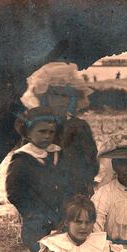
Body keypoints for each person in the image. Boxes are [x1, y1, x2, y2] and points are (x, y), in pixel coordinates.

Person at [21, 61, 98, 197]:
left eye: (66, 96)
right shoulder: (35, 126)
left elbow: (91, 162)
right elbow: (25, 161)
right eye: (55, 95)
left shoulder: (80, 126)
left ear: (73, 98)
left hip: (75, 190)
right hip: (42, 192)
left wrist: (84, 185)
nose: (61, 101)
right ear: (45, 97)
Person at [6, 106, 76, 252]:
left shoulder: (56, 153)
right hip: (35, 220)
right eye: (42, 132)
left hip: (58, 216)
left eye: (51, 132)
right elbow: (14, 191)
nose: (47, 136)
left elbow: (66, 181)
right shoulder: (22, 158)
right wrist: (31, 212)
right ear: (29, 133)